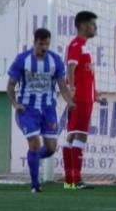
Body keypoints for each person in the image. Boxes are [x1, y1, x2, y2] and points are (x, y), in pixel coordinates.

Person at [6, 29, 74, 193]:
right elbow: (10, 85)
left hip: (48, 109)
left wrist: (71, 102)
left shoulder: (55, 60)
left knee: (51, 148)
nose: (44, 47)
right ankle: (35, 185)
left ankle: (33, 160)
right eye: (41, 44)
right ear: (34, 42)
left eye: (47, 44)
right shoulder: (22, 60)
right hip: (27, 110)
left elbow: (62, 87)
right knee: (35, 144)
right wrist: (15, 104)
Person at [63, 11, 106, 190]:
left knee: (73, 135)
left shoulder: (83, 46)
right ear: (82, 26)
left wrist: (94, 94)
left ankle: (70, 180)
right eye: (92, 24)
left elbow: (84, 73)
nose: (95, 28)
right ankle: (76, 180)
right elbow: (70, 69)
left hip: (85, 97)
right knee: (79, 135)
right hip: (80, 98)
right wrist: (72, 91)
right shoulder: (76, 45)